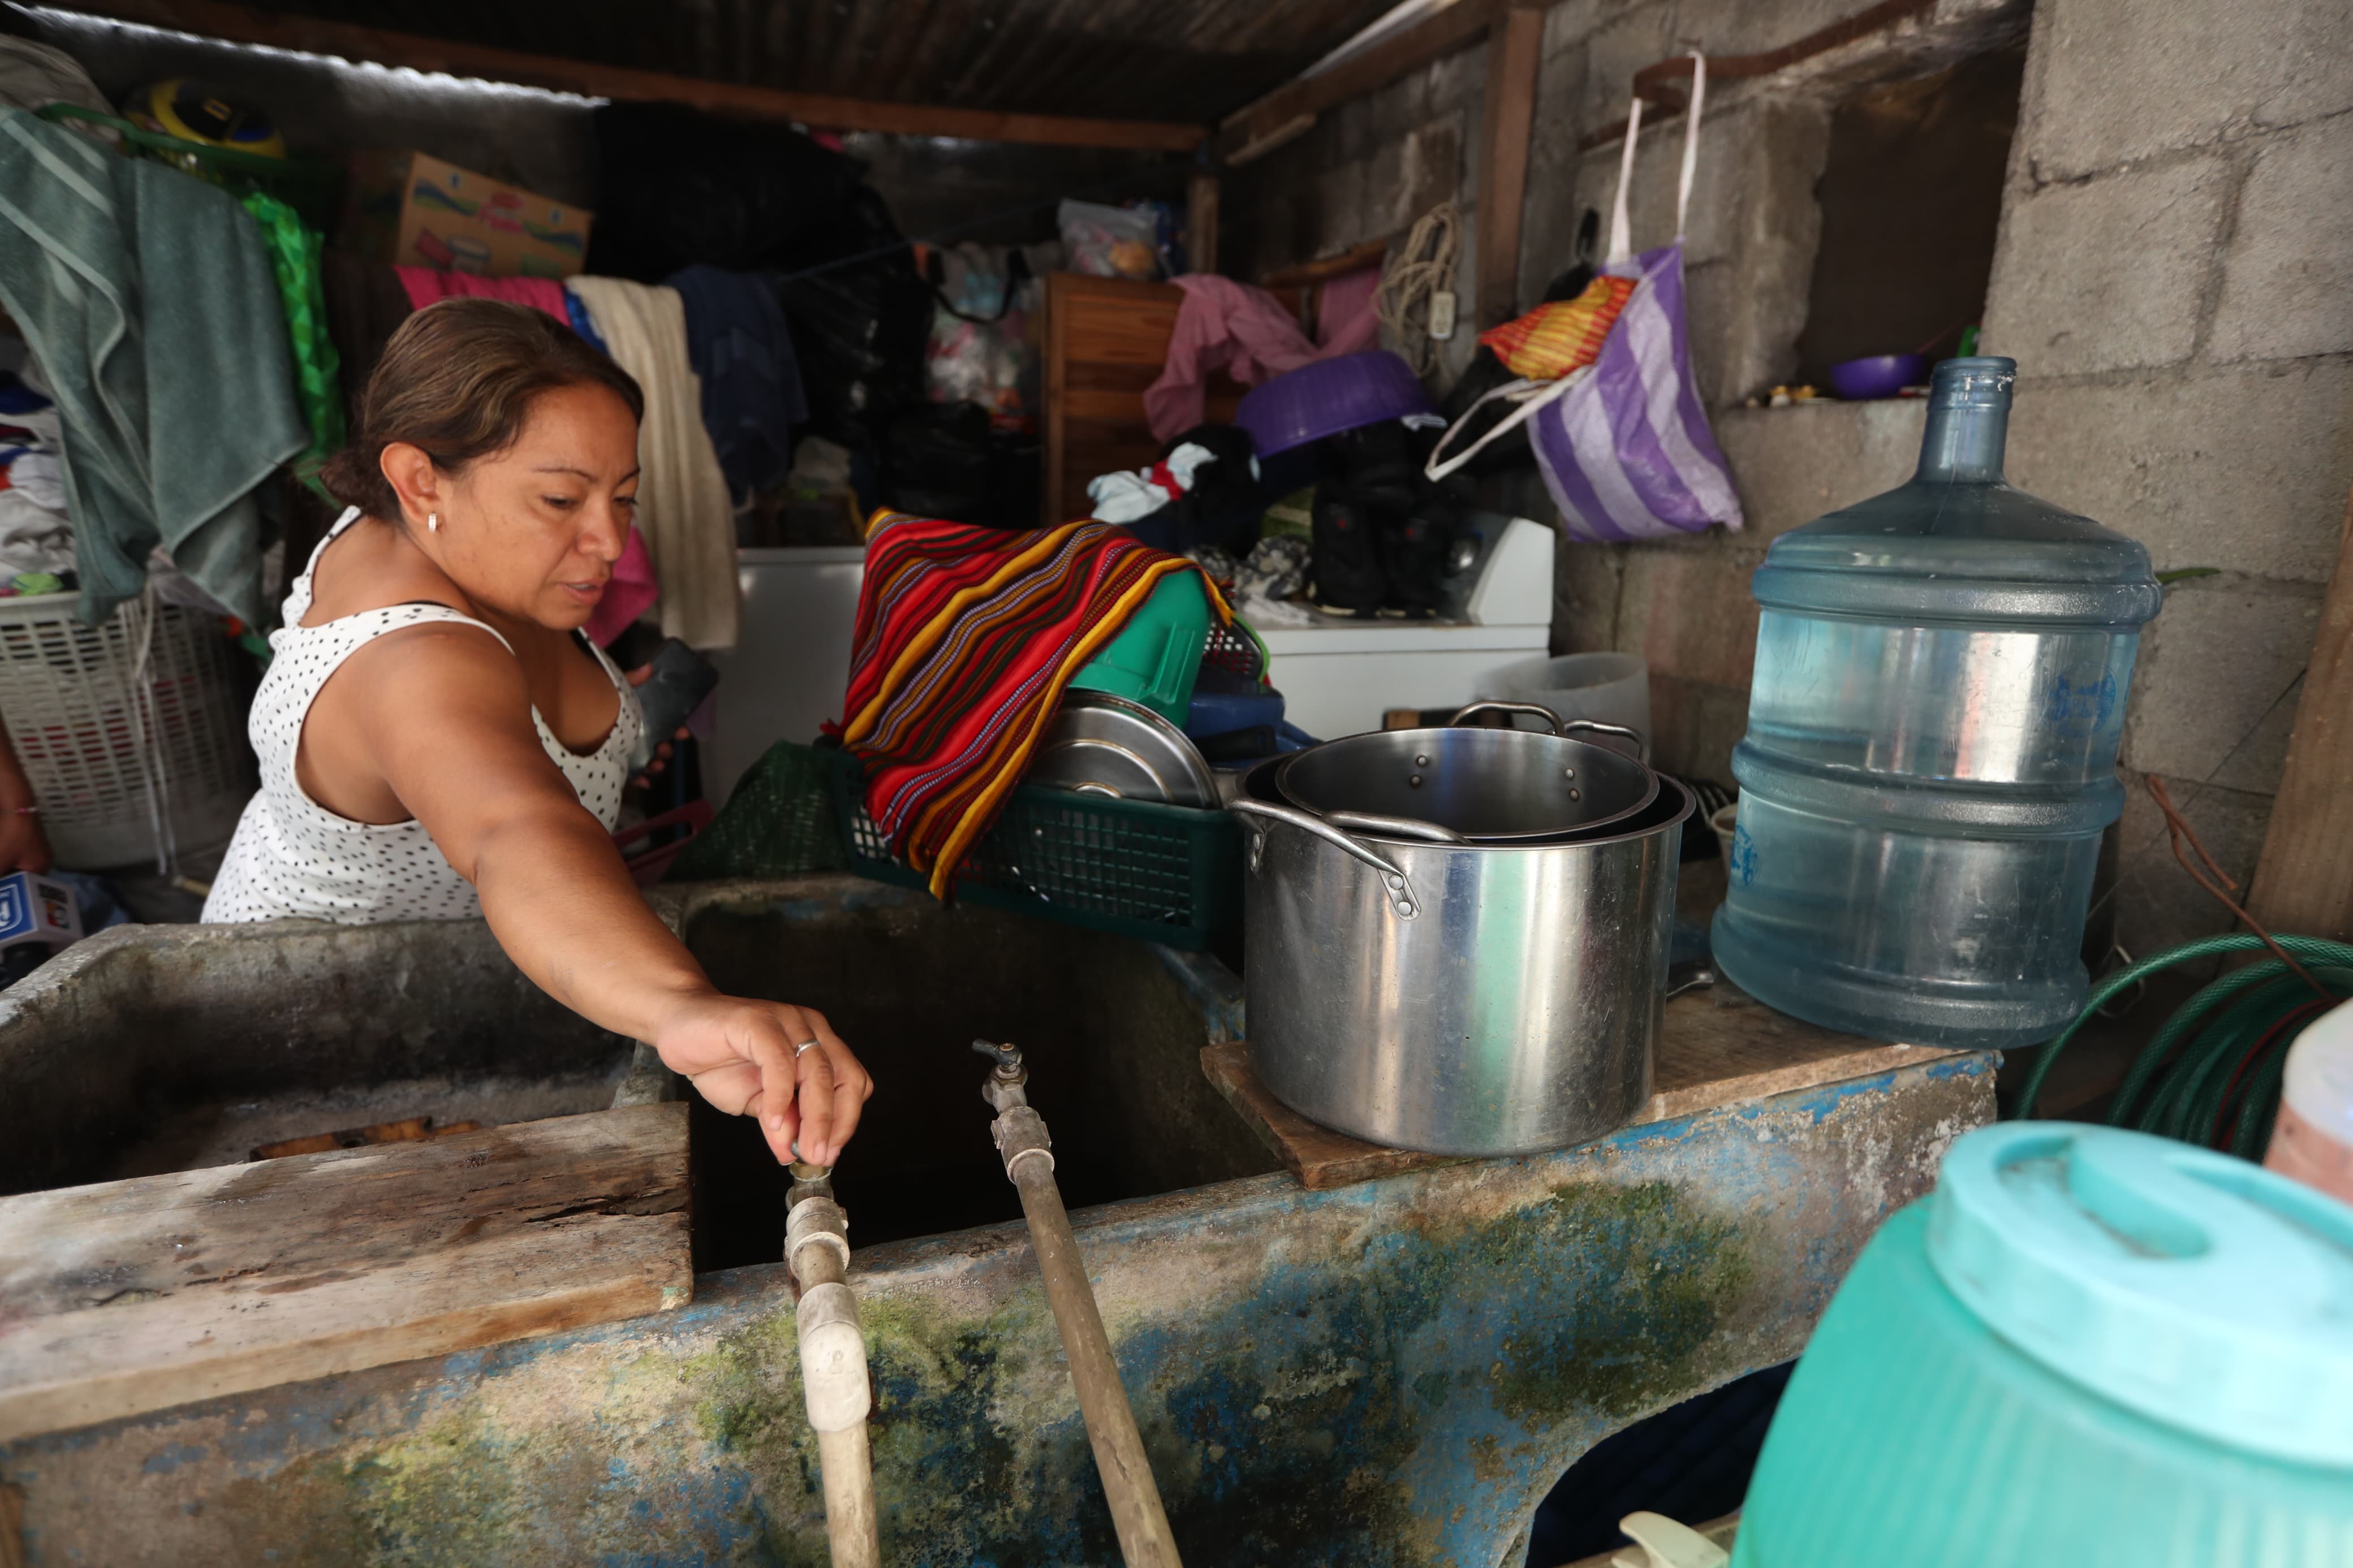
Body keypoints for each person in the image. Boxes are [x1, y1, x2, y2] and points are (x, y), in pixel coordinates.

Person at [204, 299, 869, 1167]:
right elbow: (512, 828)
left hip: (464, 996)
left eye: (623, 497)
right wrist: (681, 1004)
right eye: (561, 499)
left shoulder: (437, 537)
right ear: (418, 478)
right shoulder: (413, 660)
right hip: (318, 1054)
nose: (608, 541)